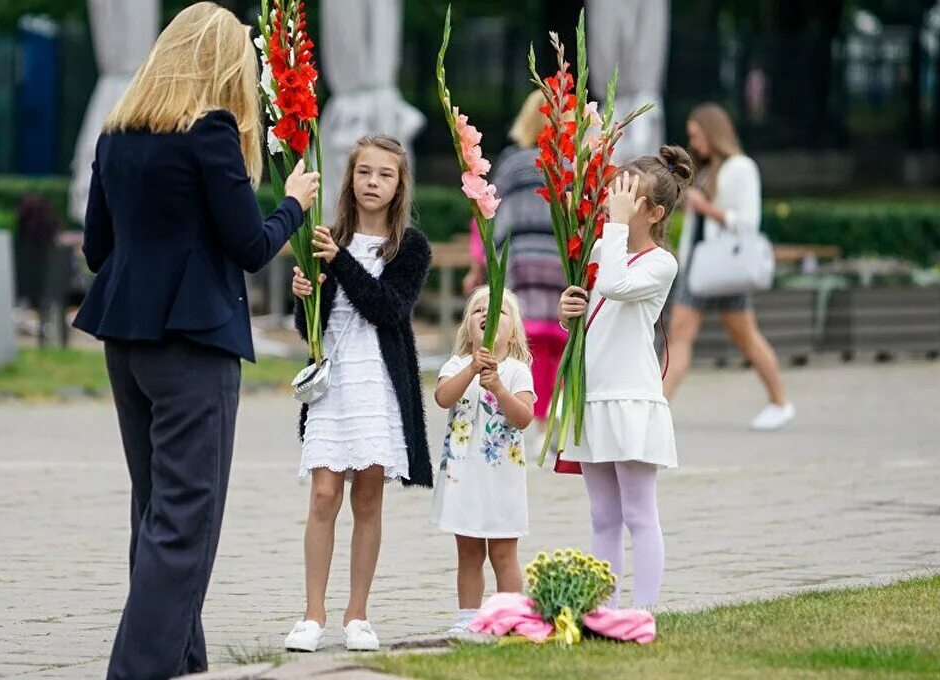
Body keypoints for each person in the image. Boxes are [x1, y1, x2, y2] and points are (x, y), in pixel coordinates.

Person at [71, 4, 320, 677]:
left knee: (157, 507)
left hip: (125, 339)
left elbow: (96, 250)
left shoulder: (116, 135)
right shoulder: (211, 133)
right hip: (192, 342)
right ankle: (138, 668)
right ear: (223, 63)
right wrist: (293, 200)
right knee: (186, 518)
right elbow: (249, 245)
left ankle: (182, 657)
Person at [284, 135, 432, 653]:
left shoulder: (409, 246)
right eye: (364, 172)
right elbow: (311, 331)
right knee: (325, 494)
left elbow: (388, 309)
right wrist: (304, 294)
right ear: (349, 179)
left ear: (399, 184)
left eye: (384, 175)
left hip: (380, 382)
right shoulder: (325, 236)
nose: (372, 182)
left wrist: (339, 264)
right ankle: (311, 614)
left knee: (368, 496)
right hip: (335, 381)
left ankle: (357, 614)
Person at [557, 147, 693, 609]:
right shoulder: (603, 248)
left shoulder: (661, 263)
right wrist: (567, 312)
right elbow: (597, 310)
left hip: (631, 398)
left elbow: (615, 285)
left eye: (627, 195)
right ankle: (605, 608)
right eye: (614, 188)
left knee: (638, 512)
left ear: (654, 213)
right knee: (602, 516)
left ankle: (644, 611)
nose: (613, 199)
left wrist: (613, 226)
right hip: (594, 395)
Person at [663, 103, 794, 431]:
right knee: (681, 334)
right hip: (700, 266)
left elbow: (748, 223)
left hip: (722, 266)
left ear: (713, 133)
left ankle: (780, 402)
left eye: (697, 135)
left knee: (744, 336)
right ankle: (657, 406)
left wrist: (706, 208)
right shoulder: (709, 169)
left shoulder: (741, 167)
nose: (695, 143)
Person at [463, 91, 567, 438]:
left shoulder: (512, 162)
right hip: (560, 262)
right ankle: (552, 419)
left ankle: (531, 419)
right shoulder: (571, 163)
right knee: (559, 340)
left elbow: (486, 213)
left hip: (521, 263)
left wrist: (478, 267)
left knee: (529, 342)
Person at [432, 286, 535, 635]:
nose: (486, 315)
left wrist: (499, 388)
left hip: (502, 480)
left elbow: (524, 418)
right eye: (478, 310)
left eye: (498, 312)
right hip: (464, 479)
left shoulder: (518, 371)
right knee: (469, 553)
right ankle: (468, 619)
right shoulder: (456, 364)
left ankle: (513, 618)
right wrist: (472, 369)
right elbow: (443, 397)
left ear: (514, 332)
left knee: (504, 553)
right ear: (467, 326)